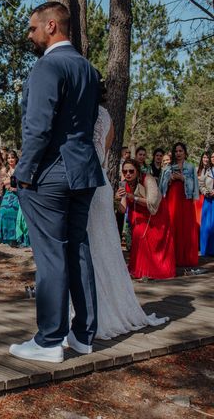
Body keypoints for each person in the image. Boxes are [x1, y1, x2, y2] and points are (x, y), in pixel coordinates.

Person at [9, 2, 104, 363]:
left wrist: (24, 172)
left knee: (50, 255)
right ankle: (83, 335)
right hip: (83, 172)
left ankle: (49, 340)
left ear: (52, 26)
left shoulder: (47, 66)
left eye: (32, 28)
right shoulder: (88, 70)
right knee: (78, 250)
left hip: (49, 174)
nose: (29, 35)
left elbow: (38, 128)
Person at [88, 104, 170, 338]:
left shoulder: (78, 109)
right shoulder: (105, 115)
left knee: (92, 247)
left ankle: (92, 311)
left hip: (86, 183)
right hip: (100, 180)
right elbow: (103, 152)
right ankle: (104, 307)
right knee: (104, 248)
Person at [116, 159, 175, 280]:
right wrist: (118, 199)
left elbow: (152, 202)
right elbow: (122, 210)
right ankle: (140, 269)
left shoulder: (147, 179)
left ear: (137, 171)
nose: (128, 174)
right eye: (125, 171)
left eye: (131, 171)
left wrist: (133, 197)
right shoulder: (123, 184)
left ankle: (155, 269)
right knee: (139, 239)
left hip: (156, 214)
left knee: (154, 242)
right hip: (137, 216)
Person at [160, 142, 200, 268]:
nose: (178, 153)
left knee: (187, 227)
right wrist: (170, 179)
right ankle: (173, 257)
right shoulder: (168, 168)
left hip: (186, 200)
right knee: (173, 226)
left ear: (185, 152)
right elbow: (162, 187)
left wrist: (183, 178)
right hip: (172, 200)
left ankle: (187, 258)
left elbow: (195, 185)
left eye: (180, 151)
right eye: (176, 151)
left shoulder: (191, 167)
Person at [0, 151, 27, 247]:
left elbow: (25, 185)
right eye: (9, 158)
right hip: (7, 196)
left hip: (18, 196)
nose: (10, 160)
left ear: (16, 158)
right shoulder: (4, 170)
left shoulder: (20, 169)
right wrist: (1, 194)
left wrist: (16, 189)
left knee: (15, 215)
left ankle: (14, 238)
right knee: (3, 213)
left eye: (12, 157)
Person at [199, 151, 214, 256]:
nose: (213, 158)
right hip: (208, 200)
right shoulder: (207, 170)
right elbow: (201, 184)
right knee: (206, 226)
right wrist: (206, 192)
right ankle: (207, 251)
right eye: (212, 156)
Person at [196, 151, 211, 231]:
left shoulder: (211, 170)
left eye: (207, 158)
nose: (205, 159)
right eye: (204, 157)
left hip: (206, 198)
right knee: (197, 220)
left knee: (205, 221)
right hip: (197, 198)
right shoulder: (197, 169)